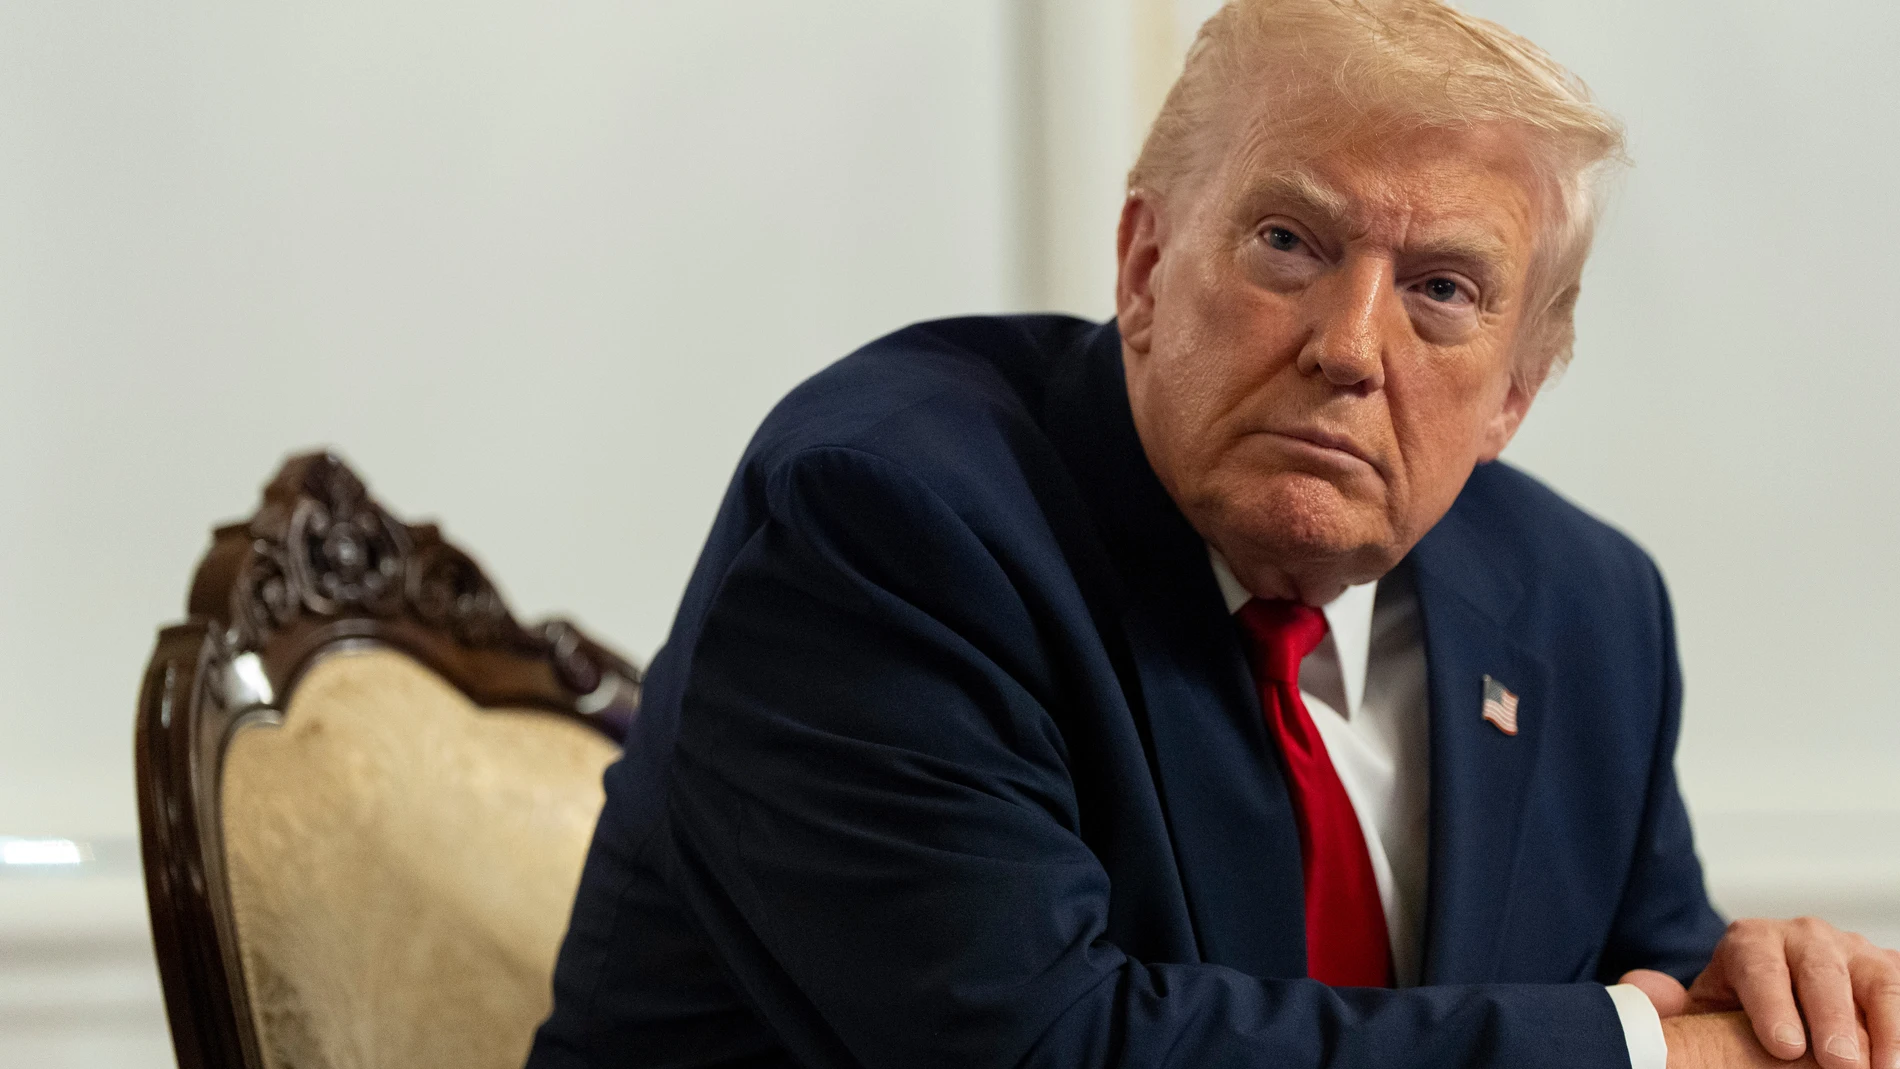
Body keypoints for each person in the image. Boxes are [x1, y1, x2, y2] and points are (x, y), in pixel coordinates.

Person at [526, 2, 1900, 1067]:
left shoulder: (1582, 611)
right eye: (1291, 243)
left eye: (1441, 289)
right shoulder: (887, 522)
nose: (1351, 348)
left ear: (1516, 397)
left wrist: (1774, 1005)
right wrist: (1637, 1047)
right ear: (1143, 266)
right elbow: (1045, 1049)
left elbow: (1671, 987)